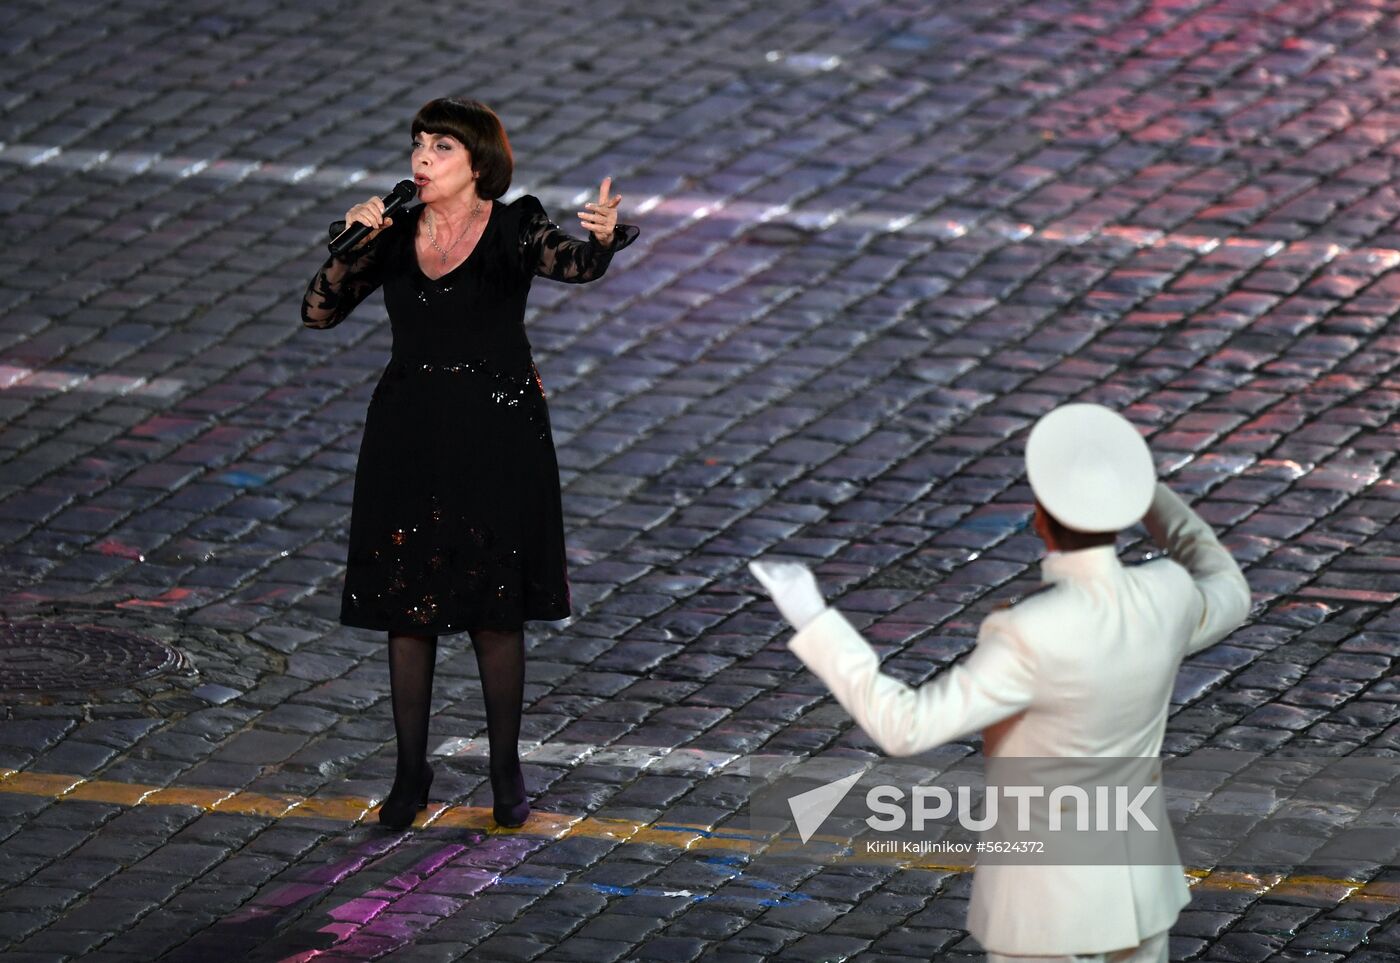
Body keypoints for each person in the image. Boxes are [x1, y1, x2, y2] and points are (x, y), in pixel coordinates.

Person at [751, 403, 1251, 963]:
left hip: (1046, 897)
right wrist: (1141, 490)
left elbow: (905, 726)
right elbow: (1228, 584)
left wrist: (814, 618)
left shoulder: (1029, 632)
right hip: (1139, 880)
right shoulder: (1168, 593)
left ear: (1040, 520)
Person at [301, 97, 638, 830]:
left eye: (442, 146)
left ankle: (505, 769)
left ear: (479, 163)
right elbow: (318, 312)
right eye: (418, 144)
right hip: (408, 434)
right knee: (407, 611)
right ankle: (409, 771)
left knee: (495, 610)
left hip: (498, 436)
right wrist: (353, 244)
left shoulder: (516, 226)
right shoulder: (392, 234)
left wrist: (606, 237)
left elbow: (577, 263)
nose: (422, 157)